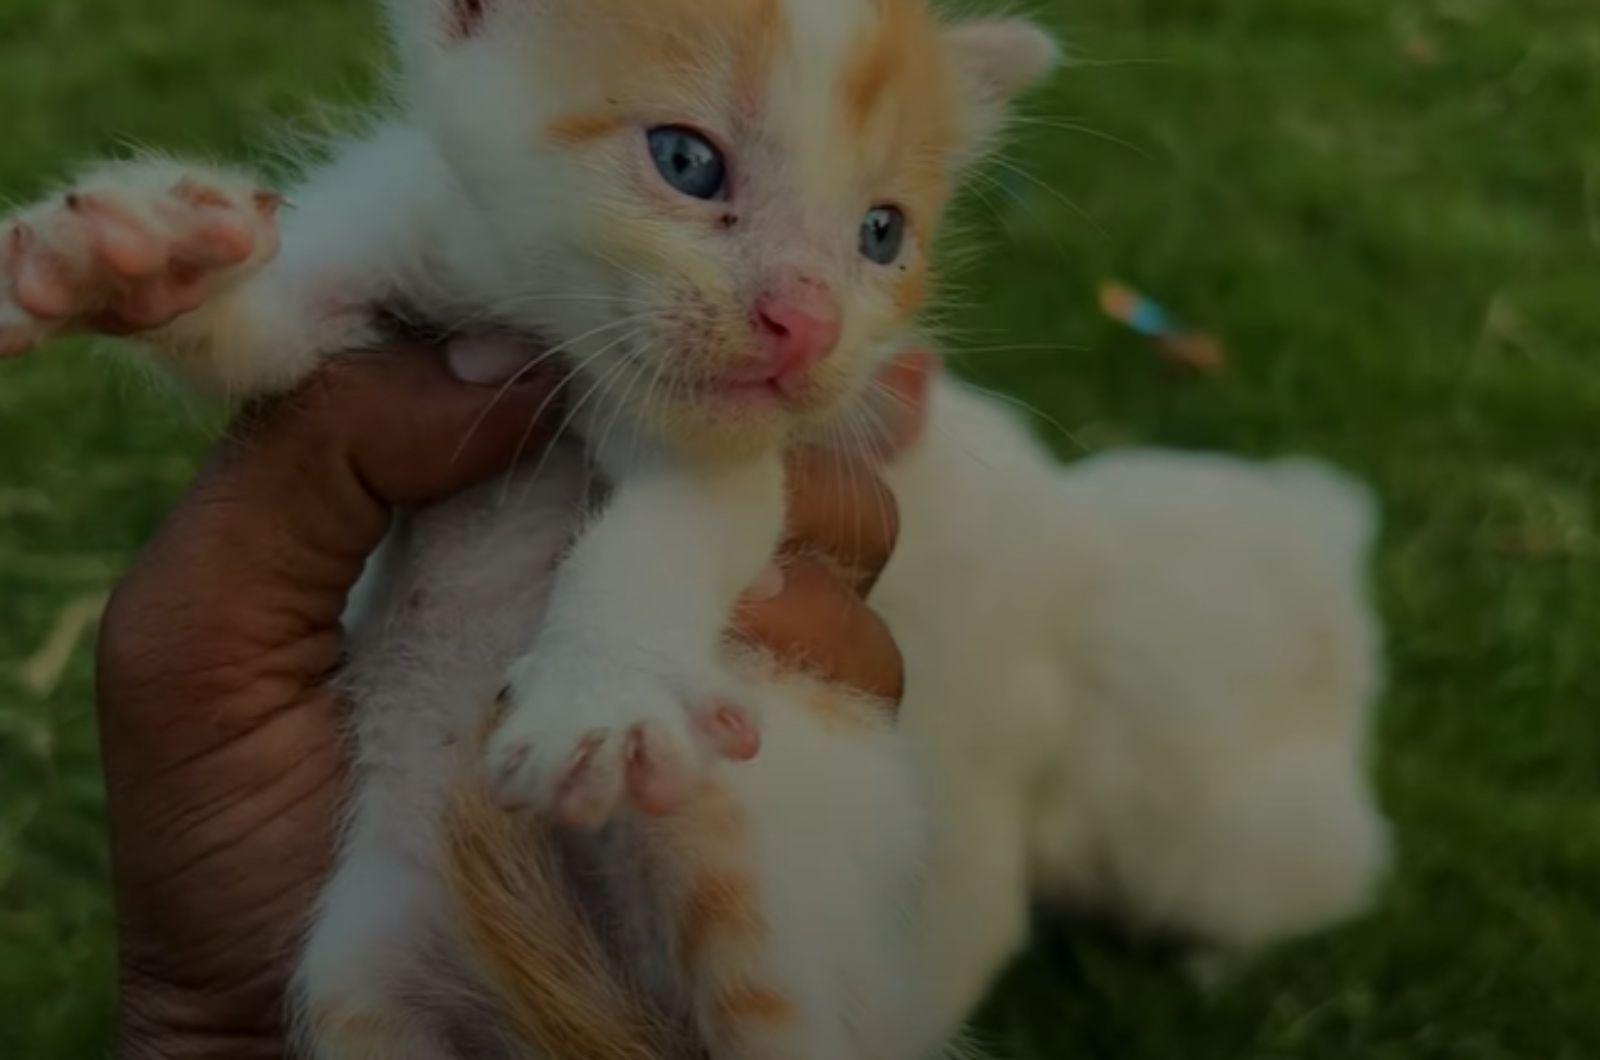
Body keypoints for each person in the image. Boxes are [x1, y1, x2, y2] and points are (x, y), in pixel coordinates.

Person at [96, 344, 916, 1060]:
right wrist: (216, 1031)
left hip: (518, 794)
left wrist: (206, 1034)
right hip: (411, 858)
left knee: (722, 866)